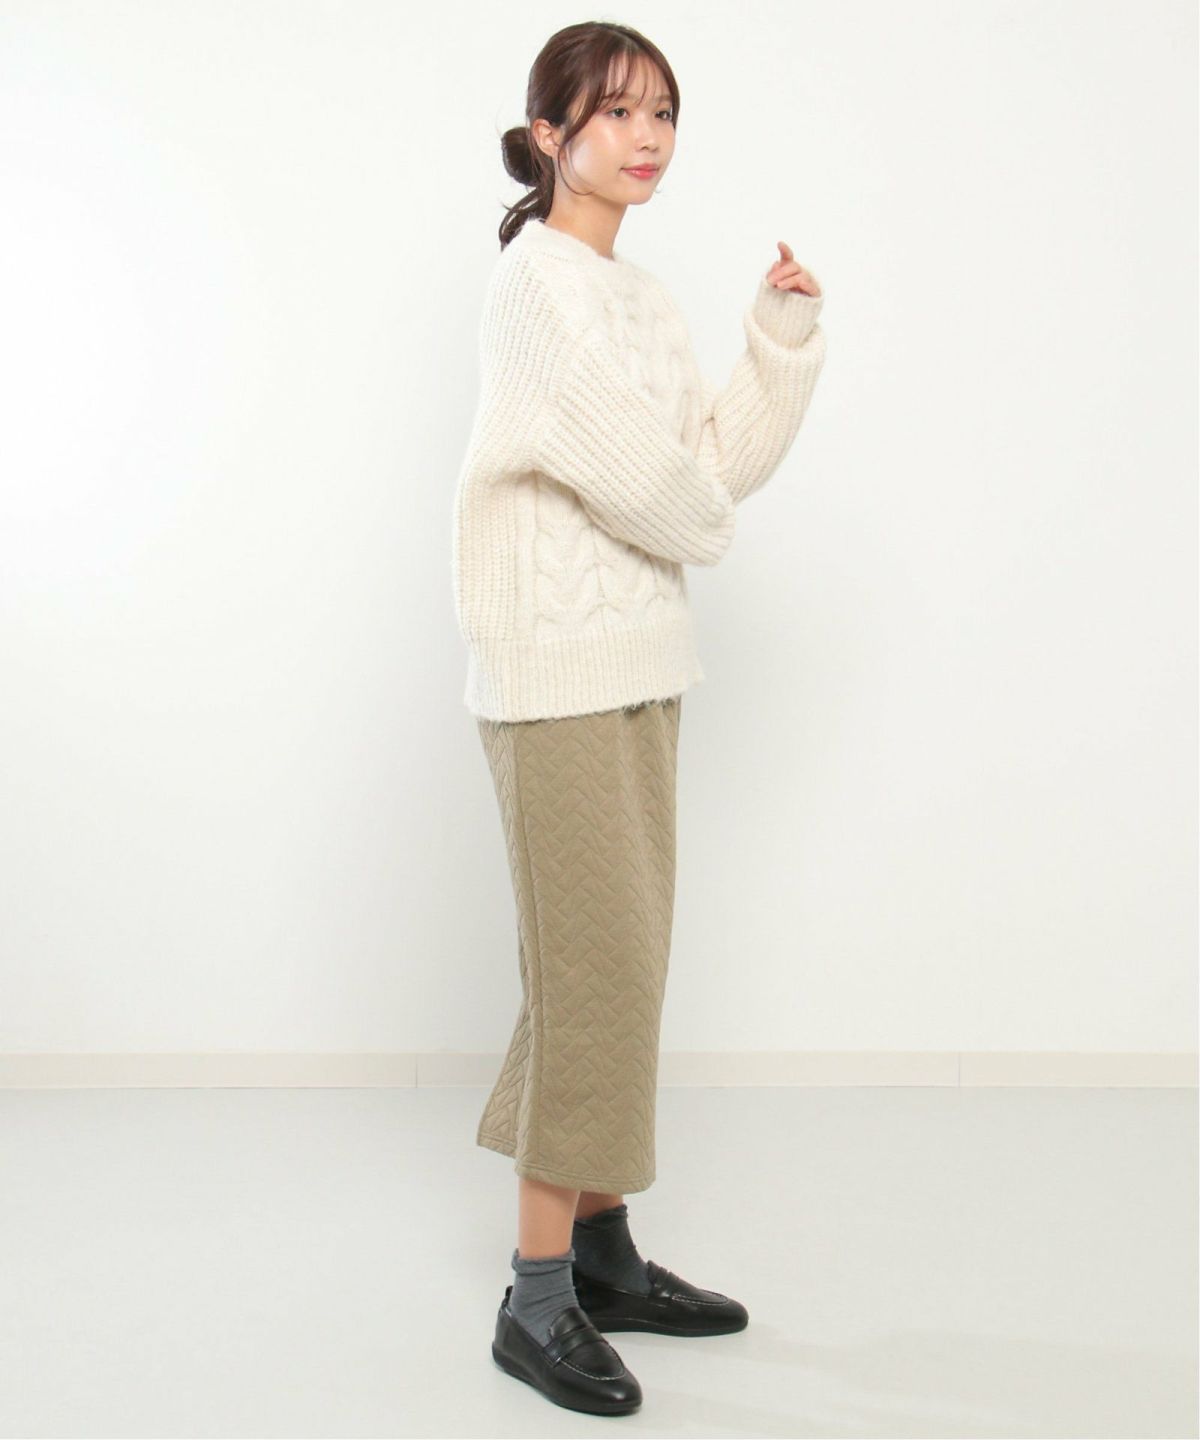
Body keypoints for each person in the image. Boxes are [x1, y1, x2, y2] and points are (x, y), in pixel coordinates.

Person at [451, 19, 827, 1417]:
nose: (646, 137)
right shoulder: (533, 288)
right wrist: (699, 515)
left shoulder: (646, 301)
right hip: (553, 673)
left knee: (627, 968)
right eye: (614, 113)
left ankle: (603, 1257)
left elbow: (710, 462)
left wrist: (777, 344)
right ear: (549, 137)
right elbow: (660, 489)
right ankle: (536, 1296)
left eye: (662, 111)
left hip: (643, 664)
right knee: (592, 975)